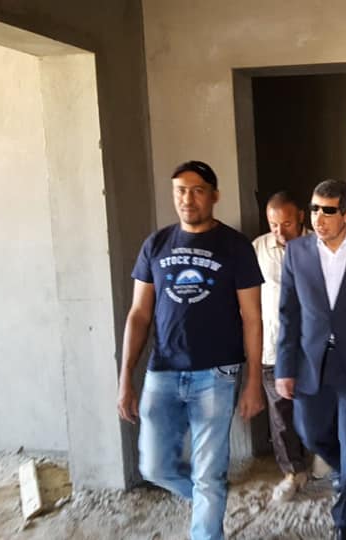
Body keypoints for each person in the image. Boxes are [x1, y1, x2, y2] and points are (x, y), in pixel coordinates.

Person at [116, 160, 265, 540]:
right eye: (180, 190)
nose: (187, 198)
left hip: (216, 374)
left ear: (214, 196)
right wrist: (126, 378)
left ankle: (208, 514)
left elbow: (252, 318)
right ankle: (208, 499)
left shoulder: (235, 247)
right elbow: (138, 314)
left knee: (209, 475)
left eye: (197, 190)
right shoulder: (156, 244)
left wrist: (253, 382)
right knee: (155, 468)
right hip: (163, 370)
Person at [275, 179, 346, 540]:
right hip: (312, 361)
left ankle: (345, 520)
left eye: (328, 210)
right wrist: (284, 368)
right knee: (310, 432)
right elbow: (288, 314)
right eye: (314, 209)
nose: (318, 218)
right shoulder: (297, 252)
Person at [252, 191, 312, 501]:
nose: (280, 232)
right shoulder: (258, 249)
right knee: (280, 416)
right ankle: (293, 471)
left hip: (312, 349)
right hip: (272, 347)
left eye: (286, 223)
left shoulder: (319, 244)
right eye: (273, 225)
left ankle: (324, 458)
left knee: (317, 409)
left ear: (300, 216)